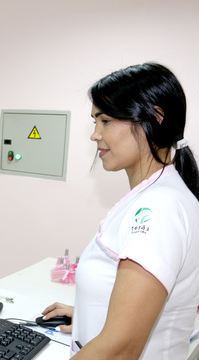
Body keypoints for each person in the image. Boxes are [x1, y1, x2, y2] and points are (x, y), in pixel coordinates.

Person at [42, 63, 199, 359]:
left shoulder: (157, 209)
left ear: (155, 118)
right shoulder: (158, 194)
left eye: (106, 121)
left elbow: (122, 349)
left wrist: (110, 332)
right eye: (94, 122)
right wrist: (89, 313)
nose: (95, 135)